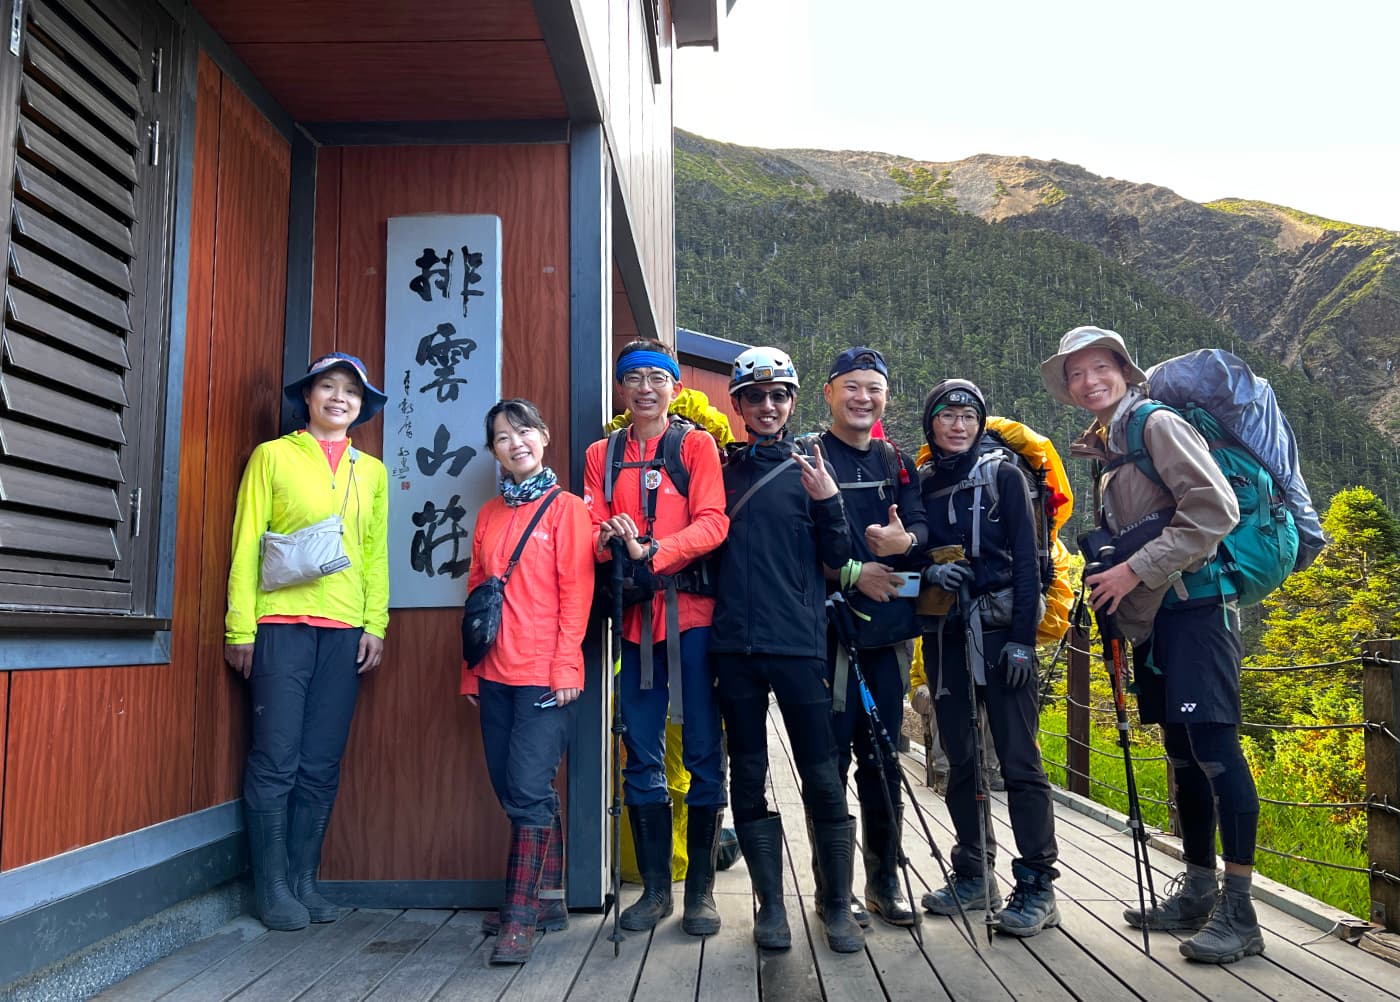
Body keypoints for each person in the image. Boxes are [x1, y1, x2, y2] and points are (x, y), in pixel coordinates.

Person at [1041, 325, 1260, 964]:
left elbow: (1215, 511)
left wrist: (1133, 570)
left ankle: (1240, 911)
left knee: (1215, 747)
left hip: (1198, 609)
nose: (1089, 381)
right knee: (1183, 751)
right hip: (1160, 618)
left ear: (1124, 370)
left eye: (1100, 367)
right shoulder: (1112, 445)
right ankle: (1197, 889)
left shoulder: (1156, 425)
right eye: (1077, 374)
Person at [225, 352, 390, 932]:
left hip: (344, 632)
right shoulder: (272, 457)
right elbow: (247, 541)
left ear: (361, 406)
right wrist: (239, 627)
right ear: (308, 397)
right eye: (328, 386)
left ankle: (304, 881)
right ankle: (271, 889)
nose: (338, 397)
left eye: (350, 390)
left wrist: (376, 624)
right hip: (279, 625)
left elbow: (374, 552)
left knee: (321, 762)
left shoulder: (371, 472)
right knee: (275, 760)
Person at [710, 347, 864, 954]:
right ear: (738, 404)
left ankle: (834, 907)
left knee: (823, 779)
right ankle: (770, 905)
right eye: (755, 397)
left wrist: (828, 499)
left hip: (799, 645)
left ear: (793, 402)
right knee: (747, 779)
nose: (768, 406)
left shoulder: (812, 468)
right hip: (734, 648)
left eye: (778, 397)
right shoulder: (719, 473)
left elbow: (837, 558)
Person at [584, 338, 730, 936]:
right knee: (640, 749)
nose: (645, 388)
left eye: (656, 377)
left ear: (673, 386)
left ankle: (700, 894)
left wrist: (655, 552)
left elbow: (714, 521)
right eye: (634, 378)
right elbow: (589, 525)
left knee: (701, 751)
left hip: (691, 618)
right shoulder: (604, 453)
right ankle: (655, 892)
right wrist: (610, 539)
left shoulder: (695, 446)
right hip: (637, 625)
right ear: (621, 389)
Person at [916, 379, 1061, 937]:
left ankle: (1037, 886)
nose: (958, 424)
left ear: (981, 423)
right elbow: (914, 548)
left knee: (1020, 761)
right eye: (947, 415)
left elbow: (1028, 565)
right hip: (947, 634)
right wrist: (929, 570)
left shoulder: (1004, 476)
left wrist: (1024, 639)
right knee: (961, 759)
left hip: (1002, 634)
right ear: (932, 423)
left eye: (968, 416)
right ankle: (975, 872)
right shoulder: (926, 482)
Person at [462, 398, 593, 965]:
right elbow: (475, 599)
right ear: (494, 451)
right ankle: (552, 899)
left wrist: (567, 665)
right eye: (500, 438)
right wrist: (470, 672)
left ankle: (520, 915)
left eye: (522, 432)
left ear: (542, 437)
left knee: (526, 790)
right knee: (510, 785)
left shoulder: (567, 510)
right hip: (493, 672)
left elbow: (576, 594)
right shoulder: (490, 514)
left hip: (543, 673)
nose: (513, 443)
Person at [817, 346, 924, 927]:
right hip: (828, 637)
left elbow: (921, 525)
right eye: (851, 386)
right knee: (828, 761)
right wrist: (855, 572)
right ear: (829, 392)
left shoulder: (894, 460)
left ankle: (885, 881)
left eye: (874, 388)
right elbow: (795, 543)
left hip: (886, 639)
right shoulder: (811, 456)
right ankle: (835, 892)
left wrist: (905, 545)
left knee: (882, 759)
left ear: (886, 396)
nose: (863, 398)